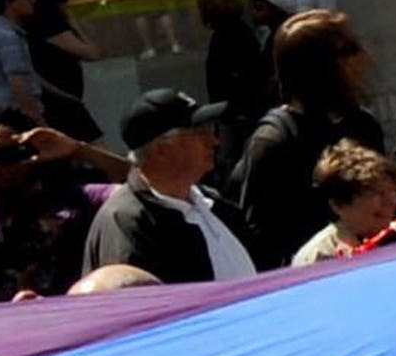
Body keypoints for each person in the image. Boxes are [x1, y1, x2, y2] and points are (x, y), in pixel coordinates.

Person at [227, 9, 387, 267]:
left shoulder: (362, 124)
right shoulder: (274, 141)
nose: (363, 58)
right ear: (319, 67)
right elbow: (260, 240)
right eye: (349, 50)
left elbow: (380, 208)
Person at [81, 90, 262, 284]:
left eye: (211, 130)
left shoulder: (211, 203)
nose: (214, 141)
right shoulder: (126, 222)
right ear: (160, 150)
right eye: (200, 133)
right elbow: (133, 303)